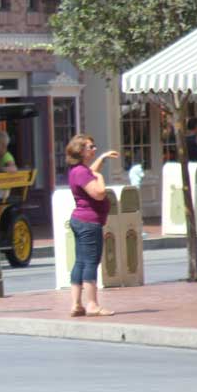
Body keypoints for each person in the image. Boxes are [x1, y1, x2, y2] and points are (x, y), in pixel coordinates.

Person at [66, 134, 119, 317]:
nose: (94, 149)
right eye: (91, 147)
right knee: (90, 262)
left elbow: (90, 173)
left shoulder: (78, 170)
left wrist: (102, 159)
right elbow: (99, 193)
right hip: (89, 222)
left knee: (80, 262)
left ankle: (76, 304)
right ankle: (92, 305)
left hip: (81, 221)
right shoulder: (82, 172)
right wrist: (100, 176)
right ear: (81, 151)